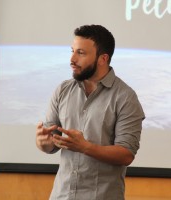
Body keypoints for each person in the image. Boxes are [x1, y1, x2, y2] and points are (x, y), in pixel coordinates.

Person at [36, 24, 145, 200]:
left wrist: (86, 147)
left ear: (103, 58)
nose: (72, 59)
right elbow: (50, 145)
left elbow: (126, 154)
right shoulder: (62, 90)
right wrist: (43, 142)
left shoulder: (125, 97)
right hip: (61, 195)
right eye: (72, 51)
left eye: (81, 53)